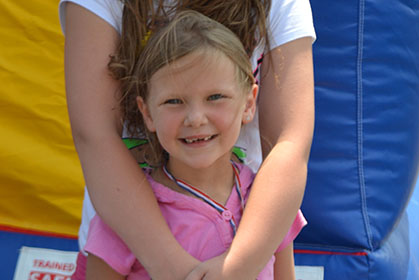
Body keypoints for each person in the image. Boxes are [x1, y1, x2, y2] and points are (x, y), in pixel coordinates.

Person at [60, 0, 315, 279]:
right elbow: (93, 133)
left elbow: (290, 141)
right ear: (146, 111)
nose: (195, 119)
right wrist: (179, 271)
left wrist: (236, 268)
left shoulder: (273, 210)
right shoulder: (113, 234)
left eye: (215, 97)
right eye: (174, 101)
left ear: (248, 102)